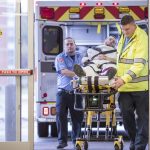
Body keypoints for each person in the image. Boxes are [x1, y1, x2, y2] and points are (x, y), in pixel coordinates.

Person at [112, 15, 148, 150]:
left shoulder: (142, 38)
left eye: (127, 29)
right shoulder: (123, 37)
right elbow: (121, 61)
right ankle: (134, 140)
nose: (125, 32)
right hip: (124, 87)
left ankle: (139, 146)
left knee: (143, 119)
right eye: (123, 30)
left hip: (140, 87)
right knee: (126, 116)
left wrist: (123, 79)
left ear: (134, 25)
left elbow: (138, 66)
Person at [55, 37, 84, 149]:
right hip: (62, 92)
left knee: (77, 118)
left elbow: (87, 67)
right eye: (67, 44)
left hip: (77, 92)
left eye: (71, 44)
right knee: (60, 117)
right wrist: (81, 74)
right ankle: (62, 141)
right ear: (64, 46)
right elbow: (64, 72)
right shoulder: (60, 57)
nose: (69, 46)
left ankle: (76, 140)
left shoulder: (81, 56)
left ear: (75, 45)